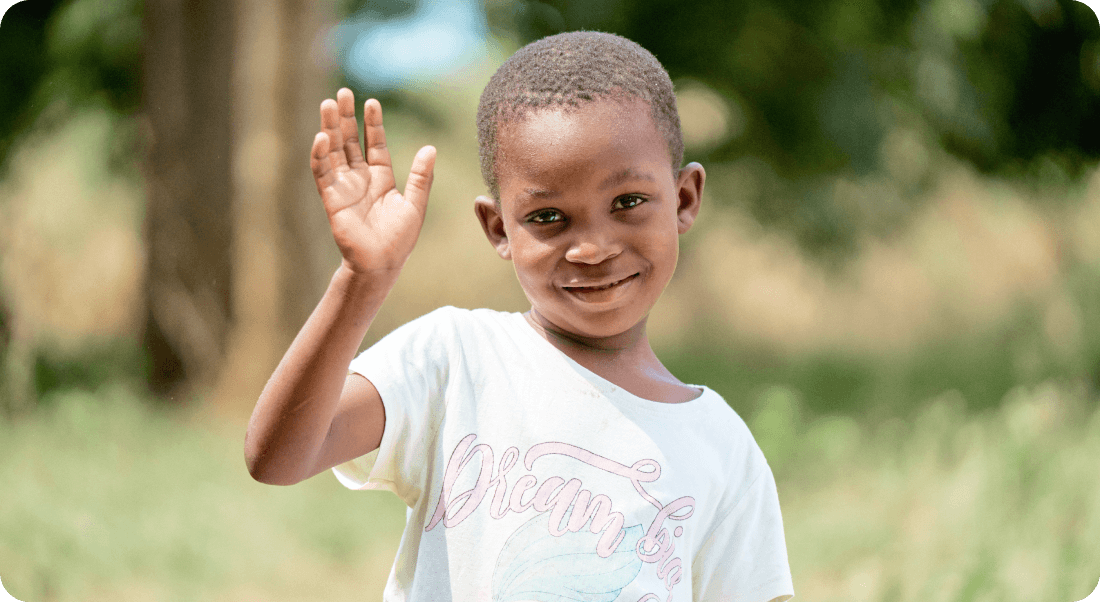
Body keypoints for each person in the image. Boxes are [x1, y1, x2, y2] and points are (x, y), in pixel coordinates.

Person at [245, 31, 794, 602]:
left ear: (683, 199)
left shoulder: (721, 445)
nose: (593, 247)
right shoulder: (457, 359)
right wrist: (363, 281)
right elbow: (280, 458)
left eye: (627, 203)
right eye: (549, 216)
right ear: (498, 229)